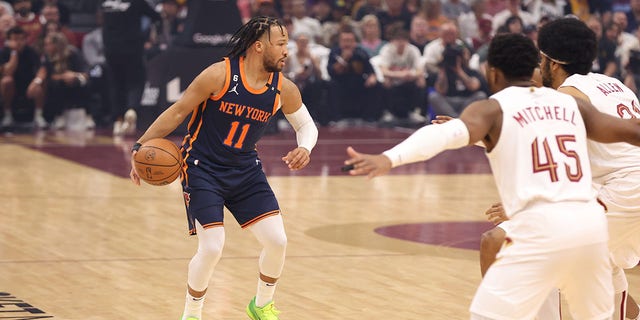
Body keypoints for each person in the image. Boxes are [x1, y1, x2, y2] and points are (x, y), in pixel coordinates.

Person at [343, 32, 640, 319]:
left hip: (549, 228)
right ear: (534, 68)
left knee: (493, 256)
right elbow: (629, 131)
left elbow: (443, 135)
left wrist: (388, 158)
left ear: (493, 73)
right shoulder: (570, 104)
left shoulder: (492, 109)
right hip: (589, 225)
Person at [129, 16, 318, 320]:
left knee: (277, 241)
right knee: (213, 246)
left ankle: (261, 306)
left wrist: (304, 147)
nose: (287, 50)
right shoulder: (219, 75)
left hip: (246, 170)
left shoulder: (283, 88)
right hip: (202, 168)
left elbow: (306, 125)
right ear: (259, 47)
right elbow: (178, 111)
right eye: (281, 44)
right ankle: (192, 313)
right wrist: (140, 146)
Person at [478, 17, 640, 320]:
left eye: (541, 58)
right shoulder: (612, 84)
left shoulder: (566, 97)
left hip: (623, 191)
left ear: (552, 63)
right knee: (597, 263)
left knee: (501, 243)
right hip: (624, 193)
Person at [101, 0, 160, 136]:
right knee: (136, 81)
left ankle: (118, 120)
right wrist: (145, 37)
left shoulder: (105, 2)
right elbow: (156, 16)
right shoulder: (137, 2)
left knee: (116, 85)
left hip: (110, 49)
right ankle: (132, 109)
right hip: (132, 48)